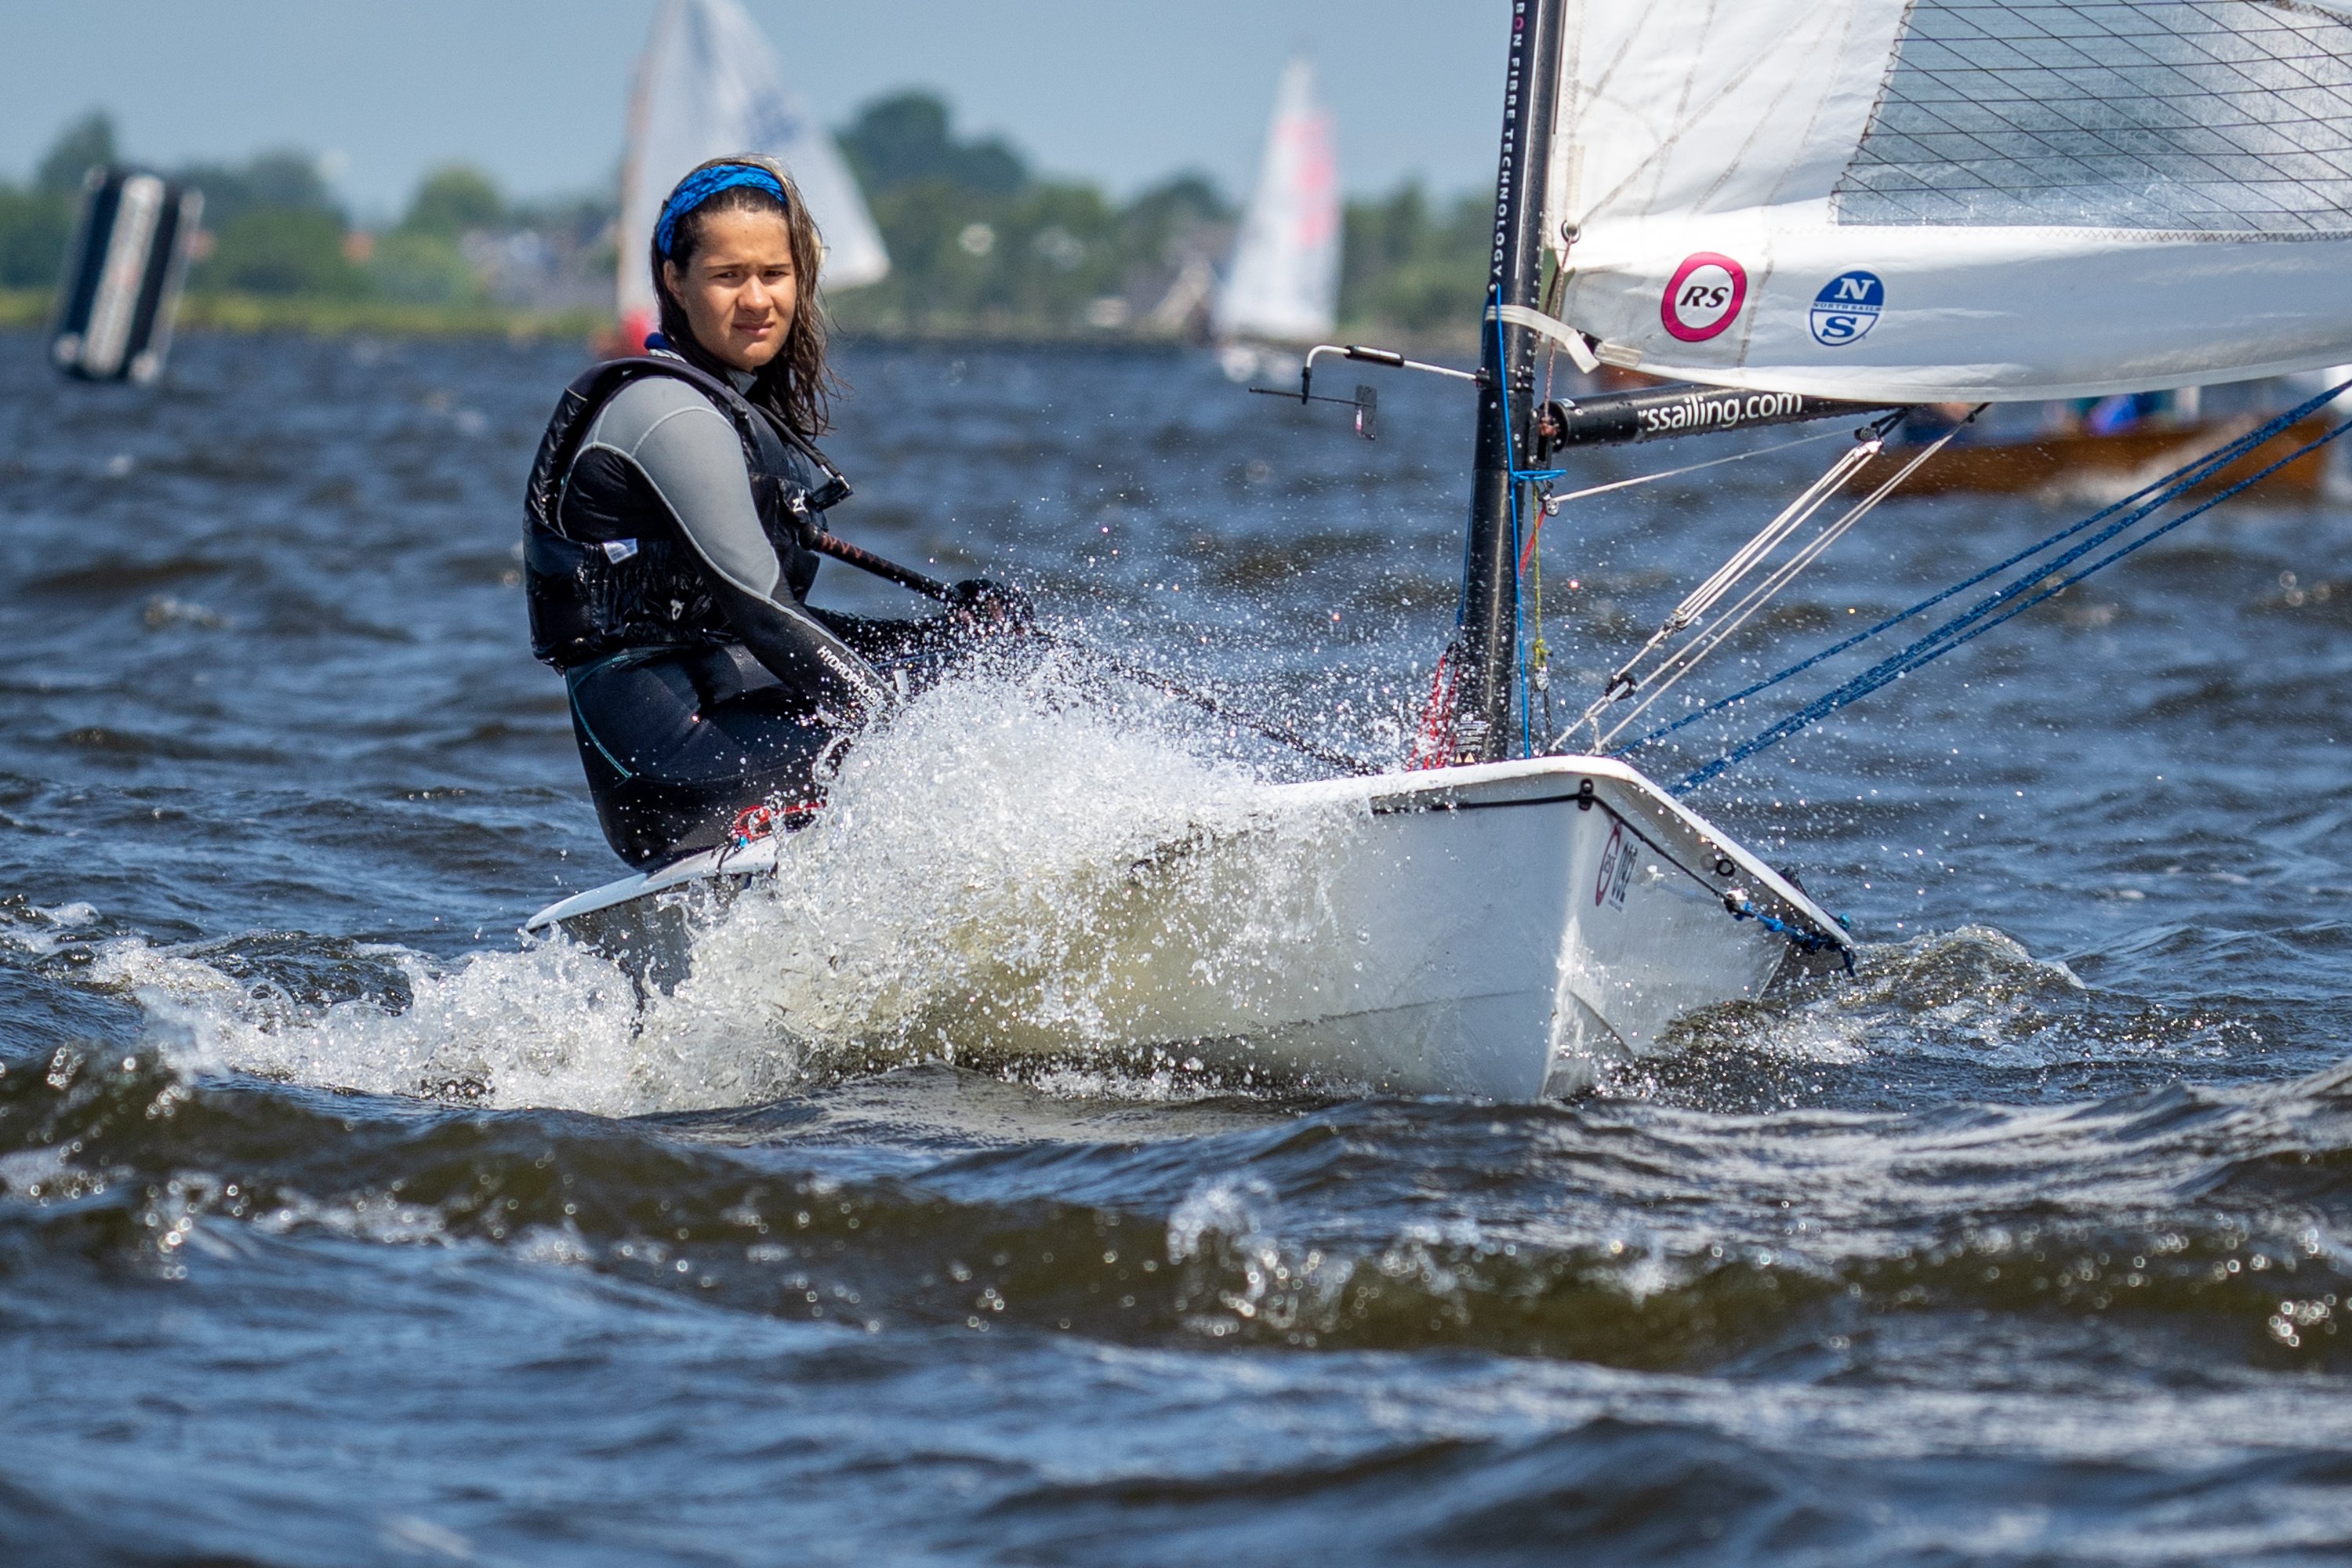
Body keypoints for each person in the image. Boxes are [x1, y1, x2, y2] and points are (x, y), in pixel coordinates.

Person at [523, 154, 1025, 869]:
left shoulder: (724, 406)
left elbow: (767, 629)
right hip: (667, 772)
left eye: (774, 274)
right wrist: (908, 736)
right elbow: (766, 616)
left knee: (974, 667)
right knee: (949, 729)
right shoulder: (668, 413)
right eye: (728, 276)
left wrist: (945, 637)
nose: (756, 299)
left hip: (723, 707)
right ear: (675, 280)